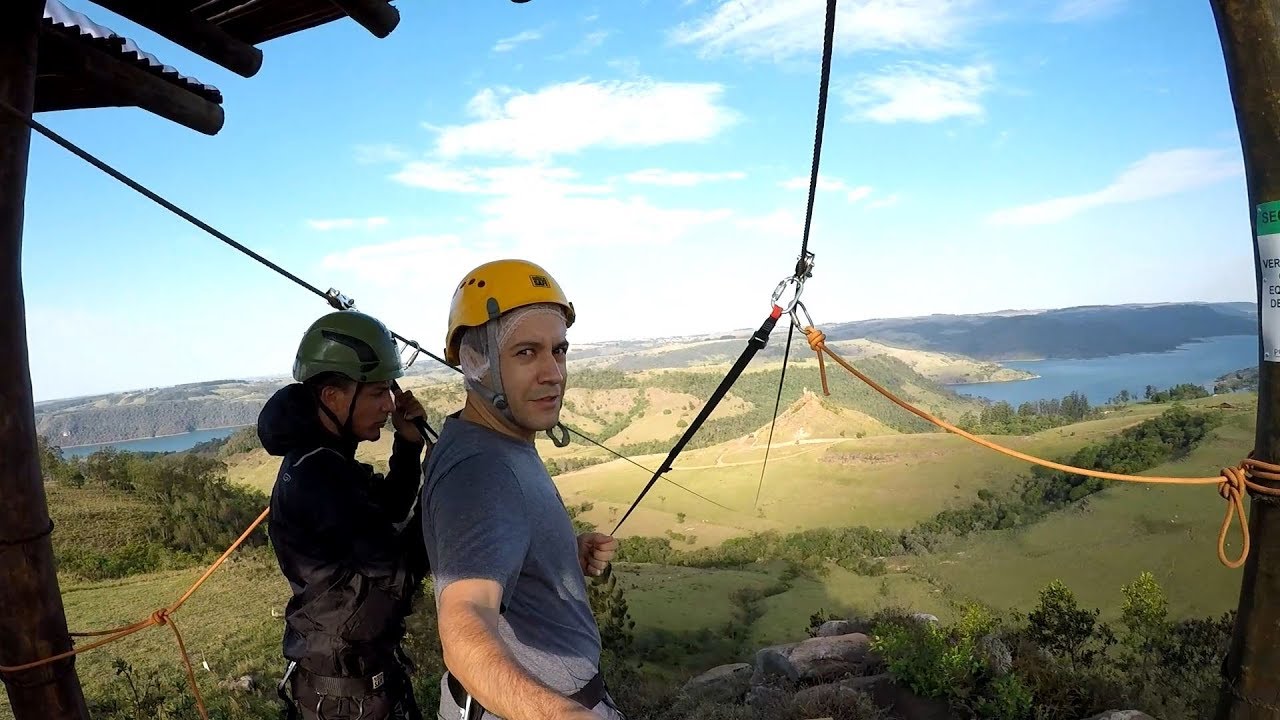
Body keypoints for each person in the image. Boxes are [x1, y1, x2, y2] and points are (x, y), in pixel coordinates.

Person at [420, 259, 624, 720]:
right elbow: (464, 619)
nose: (553, 372)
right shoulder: (480, 470)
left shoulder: (491, 440)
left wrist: (561, 556)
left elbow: (493, 546)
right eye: (526, 352)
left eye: (559, 350)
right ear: (477, 362)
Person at [258, 309, 432, 720]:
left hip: (343, 683)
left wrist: (408, 447)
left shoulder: (324, 460)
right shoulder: (319, 477)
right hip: (346, 700)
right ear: (333, 397)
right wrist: (449, 491)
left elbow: (387, 509)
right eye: (376, 393)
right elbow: (400, 573)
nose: (390, 405)